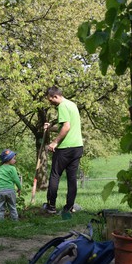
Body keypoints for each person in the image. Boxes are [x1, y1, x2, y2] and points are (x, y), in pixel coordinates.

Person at [43, 86, 84, 215]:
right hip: (77, 147)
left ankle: (51, 207)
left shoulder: (62, 106)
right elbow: (65, 126)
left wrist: (54, 142)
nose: (51, 103)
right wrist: (50, 127)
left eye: (51, 100)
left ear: (55, 96)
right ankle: (69, 207)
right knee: (72, 179)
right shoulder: (72, 105)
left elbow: (66, 127)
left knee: (55, 175)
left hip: (65, 148)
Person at [0, 149, 22, 220]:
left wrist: (0, 188)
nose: (15, 160)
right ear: (9, 159)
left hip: (1, 191)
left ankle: (1, 222)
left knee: (1, 208)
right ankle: (15, 221)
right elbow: (16, 179)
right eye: (14, 159)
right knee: (12, 207)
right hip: (10, 191)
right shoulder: (12, 168)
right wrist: (19, 188)